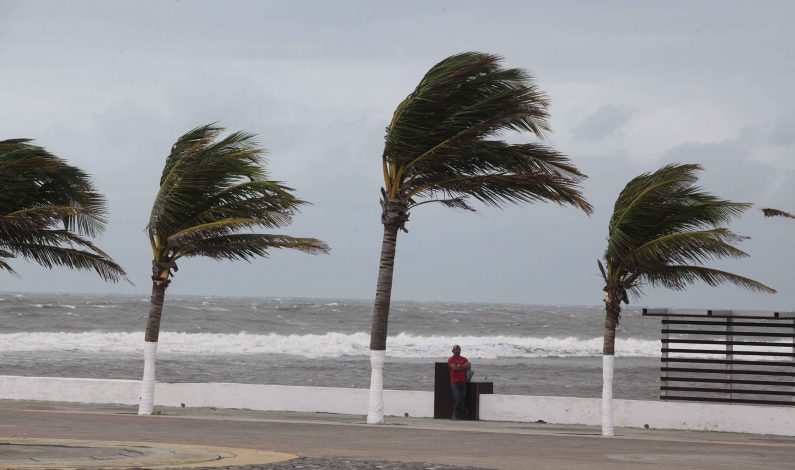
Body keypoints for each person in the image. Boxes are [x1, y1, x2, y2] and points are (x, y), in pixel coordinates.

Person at [447, 344, 471, 420]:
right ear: (453, 351)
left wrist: (459, 366)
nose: (458, 350)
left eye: (459, 349)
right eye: (456, 349)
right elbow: (454, 368)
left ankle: (460, 415)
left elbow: (468, 366)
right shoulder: (450, 359)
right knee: (457, 399)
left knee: (462, 399)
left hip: (463, 382)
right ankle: (455, 415)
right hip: (454, 382)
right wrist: (463, 366)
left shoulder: (464, 358)